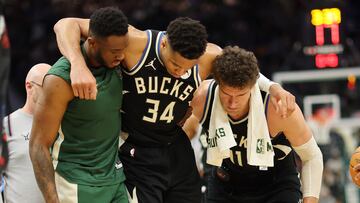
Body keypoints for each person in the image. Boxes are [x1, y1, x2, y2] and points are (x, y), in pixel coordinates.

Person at [53, 16, 296, 203]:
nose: (179, 72)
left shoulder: (208, 56)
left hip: (175, 147)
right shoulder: (135, 43)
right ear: (166, 43)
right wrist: (76, 63)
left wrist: (273, 87)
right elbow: (66, 24)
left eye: (186, 68)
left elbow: (242, 68)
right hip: (137, 150)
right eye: (174, 64)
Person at [183, 46, 323, 203]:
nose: (233, 103)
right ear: (218, 84)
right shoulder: (202, 98)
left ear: (252, 86)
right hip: (227, 183)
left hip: (276, 184)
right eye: (226, 93)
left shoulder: (277, 109)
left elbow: (312, 156)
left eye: (240, 95)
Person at [29, 7, 129, 203]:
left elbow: (69, 23)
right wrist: (52, 199)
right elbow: (38, 145)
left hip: (114, 178)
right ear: (92, 43)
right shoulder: (60, 80)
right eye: (115, 51)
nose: (122, 56)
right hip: (76, 183)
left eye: (124, 49)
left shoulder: (115, 61)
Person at [2, 63, 50, 203]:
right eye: (46, 86)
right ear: (29, 86)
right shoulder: (6, 127)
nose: (53, 92)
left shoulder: (62, 125)